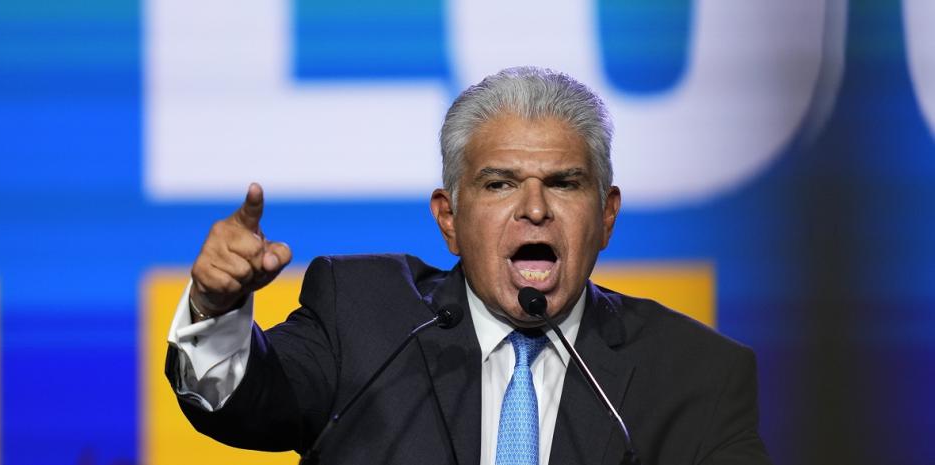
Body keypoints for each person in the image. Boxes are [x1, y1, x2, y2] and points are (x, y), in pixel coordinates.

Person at [166, 67, 772, 465]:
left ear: (607, 216)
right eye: (499, 183)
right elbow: (247, 403)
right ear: (449, 218)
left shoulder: (697, 374)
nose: (534, 209)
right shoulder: (364, 318)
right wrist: (216, 309)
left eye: (564, 183)